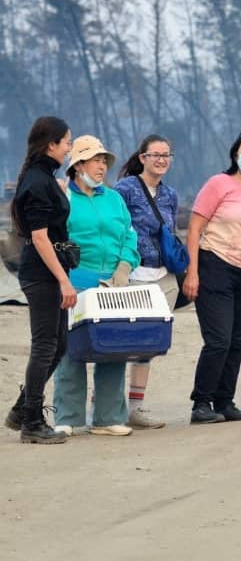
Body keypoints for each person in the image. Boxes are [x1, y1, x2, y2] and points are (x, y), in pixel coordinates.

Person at [183, 126, 241, 425]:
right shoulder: (218, 184)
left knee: (238, 339)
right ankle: (201, 402)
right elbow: (195, 229)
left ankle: (225, 401)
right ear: (236, 154)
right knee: (219, 339)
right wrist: (192, 272)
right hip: (215, 265)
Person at [52, 135, 142, 438]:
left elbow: (129, 236)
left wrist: (125, 265)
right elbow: (53, 239)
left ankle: (107, 417)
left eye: (104, 160)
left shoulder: (114, 198)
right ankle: (68, 417)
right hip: (76, 282)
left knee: (113, 349)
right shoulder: (64, 197)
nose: (102, 166)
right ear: (78, 165)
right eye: (95, 160)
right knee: (71, 350)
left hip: (113, 285)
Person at [5, 117, 76, 444]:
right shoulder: (37, 181)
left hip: (48, 271)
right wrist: (63, 280)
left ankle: (23, 409)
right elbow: (39, 237)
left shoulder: (44, 178)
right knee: (46, 344)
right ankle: (32, 420)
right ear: (51, 144)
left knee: (58, 344)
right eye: (66, 142)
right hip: (42, 273)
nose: (69, 148)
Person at [115, 134, 182, 429]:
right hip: (132, 276)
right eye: (155, 155)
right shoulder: (125, 189)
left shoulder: (170, 195)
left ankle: (136, 407)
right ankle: (108, 405)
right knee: (119, 342)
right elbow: (117, 229)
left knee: (148, 345)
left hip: (162, 277)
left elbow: (172, 232)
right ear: (142, 158)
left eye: (166, 155)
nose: (161, 160)